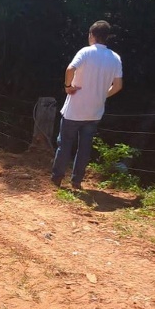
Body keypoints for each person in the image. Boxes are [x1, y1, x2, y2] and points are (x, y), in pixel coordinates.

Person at [51, 20, 123, 189]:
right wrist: (102, 95)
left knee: (65, 143)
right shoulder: (115, 58)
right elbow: (118, 86)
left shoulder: (86, 52)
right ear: (107, 37)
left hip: (75, 109)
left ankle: (57, 177)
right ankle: (76, 181)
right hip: (95, 112)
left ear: (91, 35)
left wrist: (68, 87)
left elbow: (70, 69)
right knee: (84, 147)